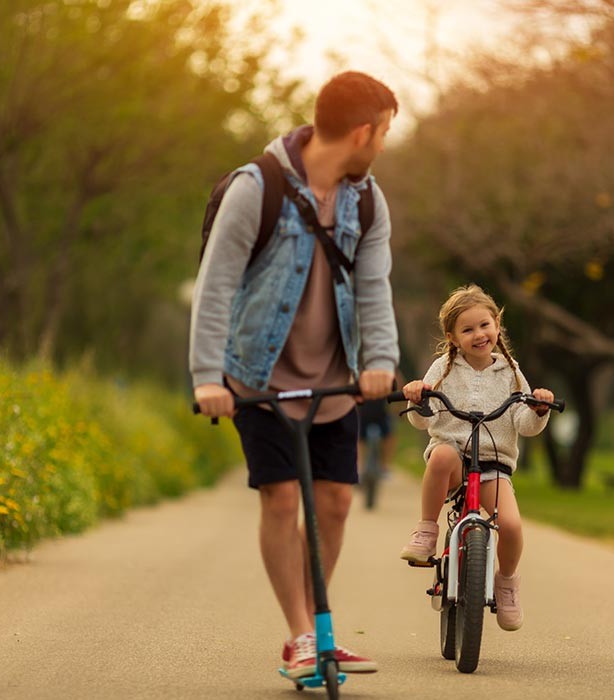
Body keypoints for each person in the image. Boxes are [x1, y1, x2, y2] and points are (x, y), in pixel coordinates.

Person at [191, 71, 399, 679]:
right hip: (258, 376)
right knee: (282, 499)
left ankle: (313, 629)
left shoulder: (366, 200)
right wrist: (208, 376)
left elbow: (372, 287)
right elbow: (216, 286)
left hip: (335, 380)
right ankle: (302, 633)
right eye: (384, 132)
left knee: (334, 502)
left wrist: (381, 362)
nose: (383, 145)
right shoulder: (258, 188)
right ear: (361, 131)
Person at [399, 284, 554, 631]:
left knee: (511, 526)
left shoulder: (511, 373)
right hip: (453, 460)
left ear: (497, 324)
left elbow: (524, 424)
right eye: (467, 330)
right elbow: (424, 420)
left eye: (484, 325)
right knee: (440, 456)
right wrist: (418, 398)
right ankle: (426, 529)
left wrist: (539, 407)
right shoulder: (443, 368)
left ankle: (507, 582)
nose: (478, 335)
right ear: (452, 337)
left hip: (493, 466)